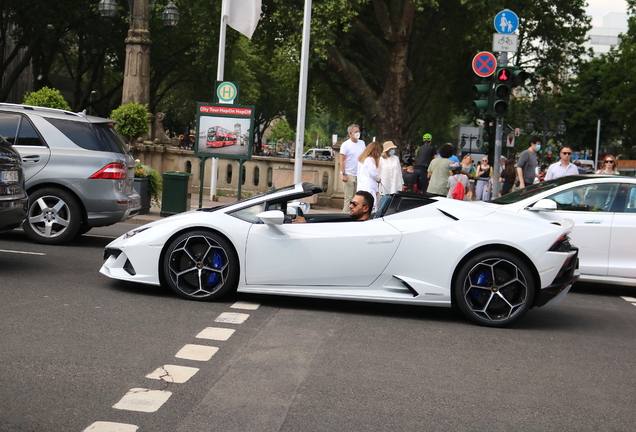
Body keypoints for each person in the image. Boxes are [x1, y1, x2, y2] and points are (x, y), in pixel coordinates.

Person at [339, 124, 366, 212]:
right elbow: (342, 160)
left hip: (359, 174)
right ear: (351, 133)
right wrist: (344, 174)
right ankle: (344, 216)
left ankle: (353, 214)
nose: (358, 133)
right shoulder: (345, 145)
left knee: (357, 198)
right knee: (349, 198)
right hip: (349, 174)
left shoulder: (362, 143)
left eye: (359, 131)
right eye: (356, 132)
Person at [357, 141, 382, 211]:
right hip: (369, 185)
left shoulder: (362, 160)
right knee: (371, 204)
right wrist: (379, 179)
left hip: (362, 183)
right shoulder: (370, 160)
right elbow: (373, 173)